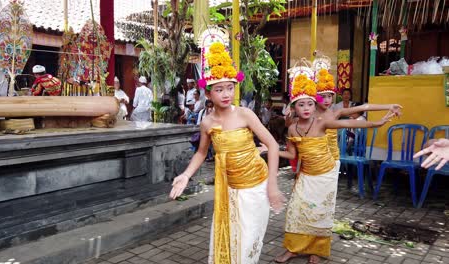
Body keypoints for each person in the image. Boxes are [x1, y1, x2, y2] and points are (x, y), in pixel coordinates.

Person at [169, 41, 284, 263]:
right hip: (230, 189)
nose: (225, 94)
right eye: (219, 89)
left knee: (248, 242)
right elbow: (202, 153)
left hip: (256, 185)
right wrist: (185, 175)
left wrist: (272, 184)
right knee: (231, 240)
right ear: (208, 94)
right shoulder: (207, 122)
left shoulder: (245, 114)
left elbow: (271, 145)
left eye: (230, 88)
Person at [264, 73, 395, 264]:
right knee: (296, 210)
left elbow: (349, 122)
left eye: (309, 104)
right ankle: (292, 249)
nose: (307, 108)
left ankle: (315, 250)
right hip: (306, 174)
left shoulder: (322, 122)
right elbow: (292, 155)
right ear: (293, 107)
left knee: (320, 212)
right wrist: (270, 148)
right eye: (301, 104)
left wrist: (377, 122)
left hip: (326, 172)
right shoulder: (292, 129)